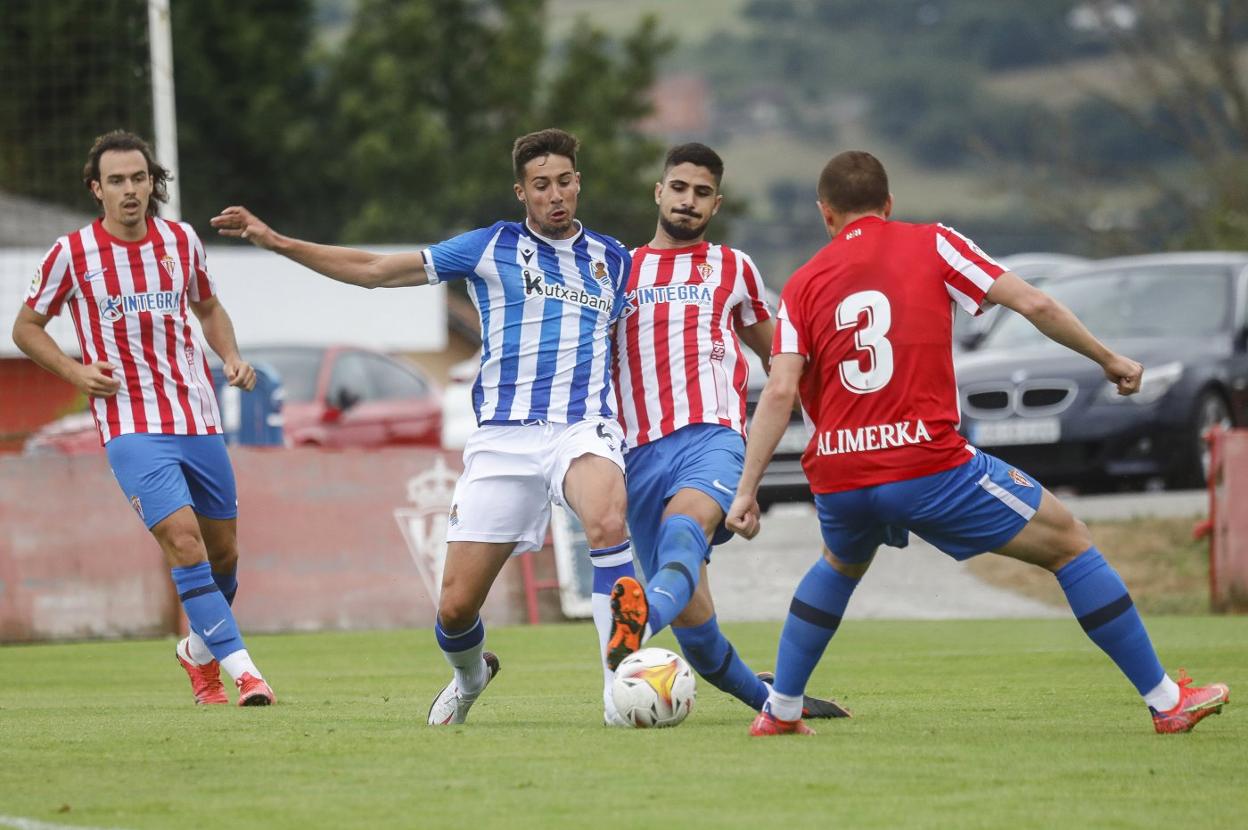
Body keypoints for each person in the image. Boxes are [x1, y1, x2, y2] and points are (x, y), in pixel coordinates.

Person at [727, 150, 1230, 737]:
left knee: (840, 562)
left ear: (825, 214)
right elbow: (1034, 303)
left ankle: (782, 711)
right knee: (1070, 543)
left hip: (841, 476)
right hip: (926, 464)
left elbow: (781, 387)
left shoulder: (804, 282)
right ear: (889, 205)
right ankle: (1167, 700)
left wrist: (747, 490)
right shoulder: (932, 242)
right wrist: (1109, 358)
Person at [211, 128, 639, 726]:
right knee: (456, 608)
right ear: (521, 192)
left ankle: (620, 691)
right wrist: (276, 240)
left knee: (607, 519)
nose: (555, 195)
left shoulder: (616, 261)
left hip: (581, 427)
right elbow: (373, 270)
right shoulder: (490, 247)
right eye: (541, 185)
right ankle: (468, 678)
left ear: (578, 182)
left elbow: (640, 348)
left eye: (565, 181)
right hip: (502, 441)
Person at [13, 130, 274, 706]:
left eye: (140, 178)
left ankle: (198, 653)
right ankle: (246, 673)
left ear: (153, 183)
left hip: (197, 416)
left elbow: (208, 307)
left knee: (224, 554)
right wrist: (76, 373)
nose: (131, 190)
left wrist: (230, 356)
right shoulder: (71, 253)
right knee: (184, 543)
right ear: (96, 190)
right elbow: (26, 329)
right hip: (130, 424)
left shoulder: (181, 241)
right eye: (117, 181)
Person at [604, 143, 848, 720]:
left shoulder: (734, 267)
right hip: (636, 455)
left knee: (684, 533)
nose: (689, 201)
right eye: (680, 188)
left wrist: (831, 421)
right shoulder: (616, 268)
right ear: (659, 192)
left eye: (702, 193)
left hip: (712, 437)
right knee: (700, 639)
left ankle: (638, 617)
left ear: (716, 203)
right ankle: (777, 705)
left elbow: (782, 361)